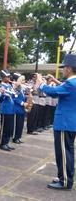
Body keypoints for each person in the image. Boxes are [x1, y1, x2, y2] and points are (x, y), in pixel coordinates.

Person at [37, 54, 76, 191]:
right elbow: (65, 89)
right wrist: (56, 80)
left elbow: (53, 92)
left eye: (64, 68)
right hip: (70, 122)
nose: (63, 70)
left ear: (69, 69)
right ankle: (63, 177)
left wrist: (41, 83)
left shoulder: (71, 84)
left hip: (64, 123)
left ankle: (65, 181)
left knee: (64, 153)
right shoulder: (72, 83)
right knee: (67, 152)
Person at [0, 69, 16, 151]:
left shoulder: (9, 85)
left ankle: (6, 142)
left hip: (11, 109)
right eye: (7, 77)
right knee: (4, 128)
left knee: (9, 127)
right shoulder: (2, 86)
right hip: (5, 109)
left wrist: (15, 88)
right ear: (3, 77)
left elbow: (14, 96)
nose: (9, 78)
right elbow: (5, 96)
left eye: (9, 76)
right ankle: (2, 143)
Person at [12, 73, 27, 144]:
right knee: (17, 124)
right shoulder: (16, 89)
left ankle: (19, 137)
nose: (24, 81)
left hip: (22, 109)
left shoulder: (21, 89)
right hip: (17, 108)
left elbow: (23, 97)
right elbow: (15, 99)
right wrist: (22, 103)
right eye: (22, 80)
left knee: (21, 124)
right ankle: (15, 137)